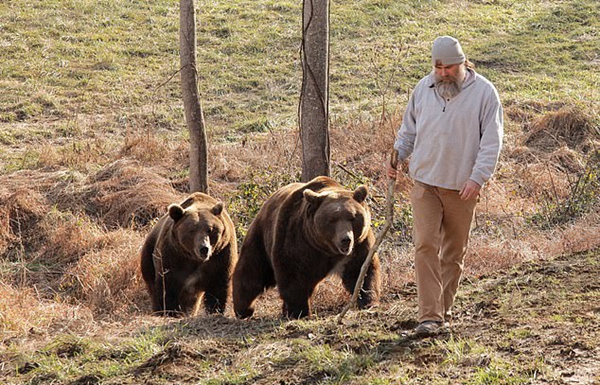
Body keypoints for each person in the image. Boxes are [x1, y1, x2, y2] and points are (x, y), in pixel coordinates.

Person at [387, 36, 503, 336]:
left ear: (463, 63)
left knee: (453, 253)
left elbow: (492, 142)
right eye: (438, 68)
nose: (443, 74)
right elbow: (408, 130)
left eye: (448, 67)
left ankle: (441, 312)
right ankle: (430, 316)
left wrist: (478, 178)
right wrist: (398, 155)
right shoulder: (423, 89)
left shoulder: (484, 94)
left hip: (461, 186)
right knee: (425, 245)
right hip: (425, 181)